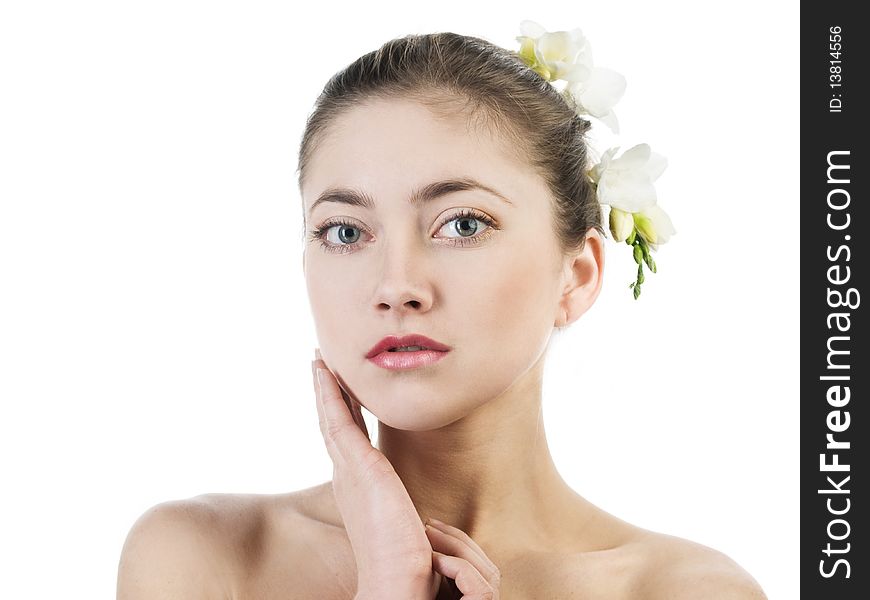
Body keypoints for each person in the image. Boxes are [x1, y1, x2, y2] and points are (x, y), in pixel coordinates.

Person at [117, 27, 767, 599]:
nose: (396, 286)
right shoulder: (205, 561)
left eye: (461, 223)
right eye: (346, 232)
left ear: (577, 274)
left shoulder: (685, 592)